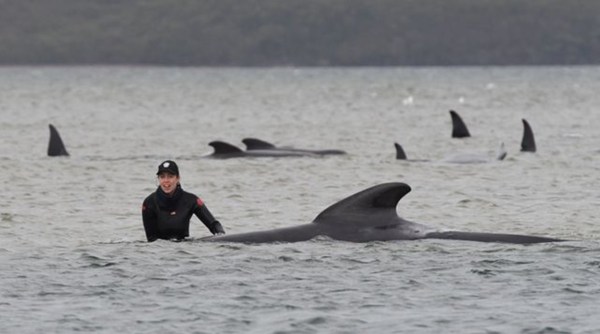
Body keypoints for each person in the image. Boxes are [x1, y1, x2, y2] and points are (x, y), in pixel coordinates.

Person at [142, 160, 225, 242]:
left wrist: (222, 237)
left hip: (184, 251)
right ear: (158, 179)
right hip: (160, 252)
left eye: (170, 176)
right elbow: (151, 240)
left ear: (178, 178)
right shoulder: (149, 203)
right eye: (162, 177)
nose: (166, 180)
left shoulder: (191, 200)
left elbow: (214, 224)